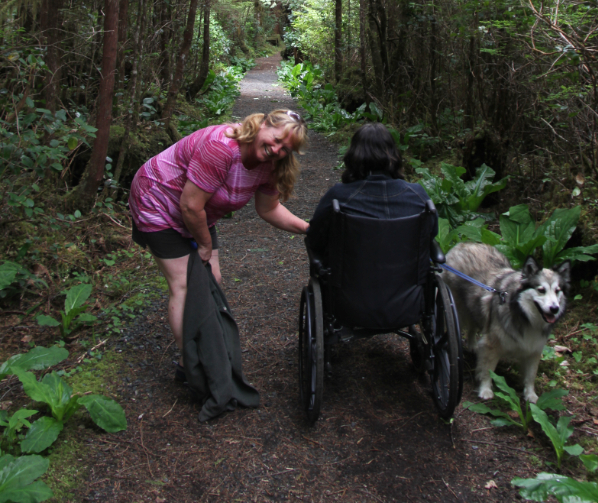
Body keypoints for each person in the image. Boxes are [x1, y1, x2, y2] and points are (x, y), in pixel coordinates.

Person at [129, 110, 309, 373]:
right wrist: (204, 245)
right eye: (276, 139)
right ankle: (188, 364)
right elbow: (190, 206)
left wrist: (309, 228)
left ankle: (206, 349)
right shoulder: (222, 147)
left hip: (198, 211)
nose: (276, 149)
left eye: (285, 148)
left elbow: (269, 209)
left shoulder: (271, 165)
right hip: (158, 200)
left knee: (212, 279)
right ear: (263, 124)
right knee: (185, 285)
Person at [306, 122, 437, 258]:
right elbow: (431, 233)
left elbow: (315, 237)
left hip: (351, 277)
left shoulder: (338, 196)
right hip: (411, 278)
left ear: (354, 155)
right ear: (394, 155)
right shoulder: (417, 194)